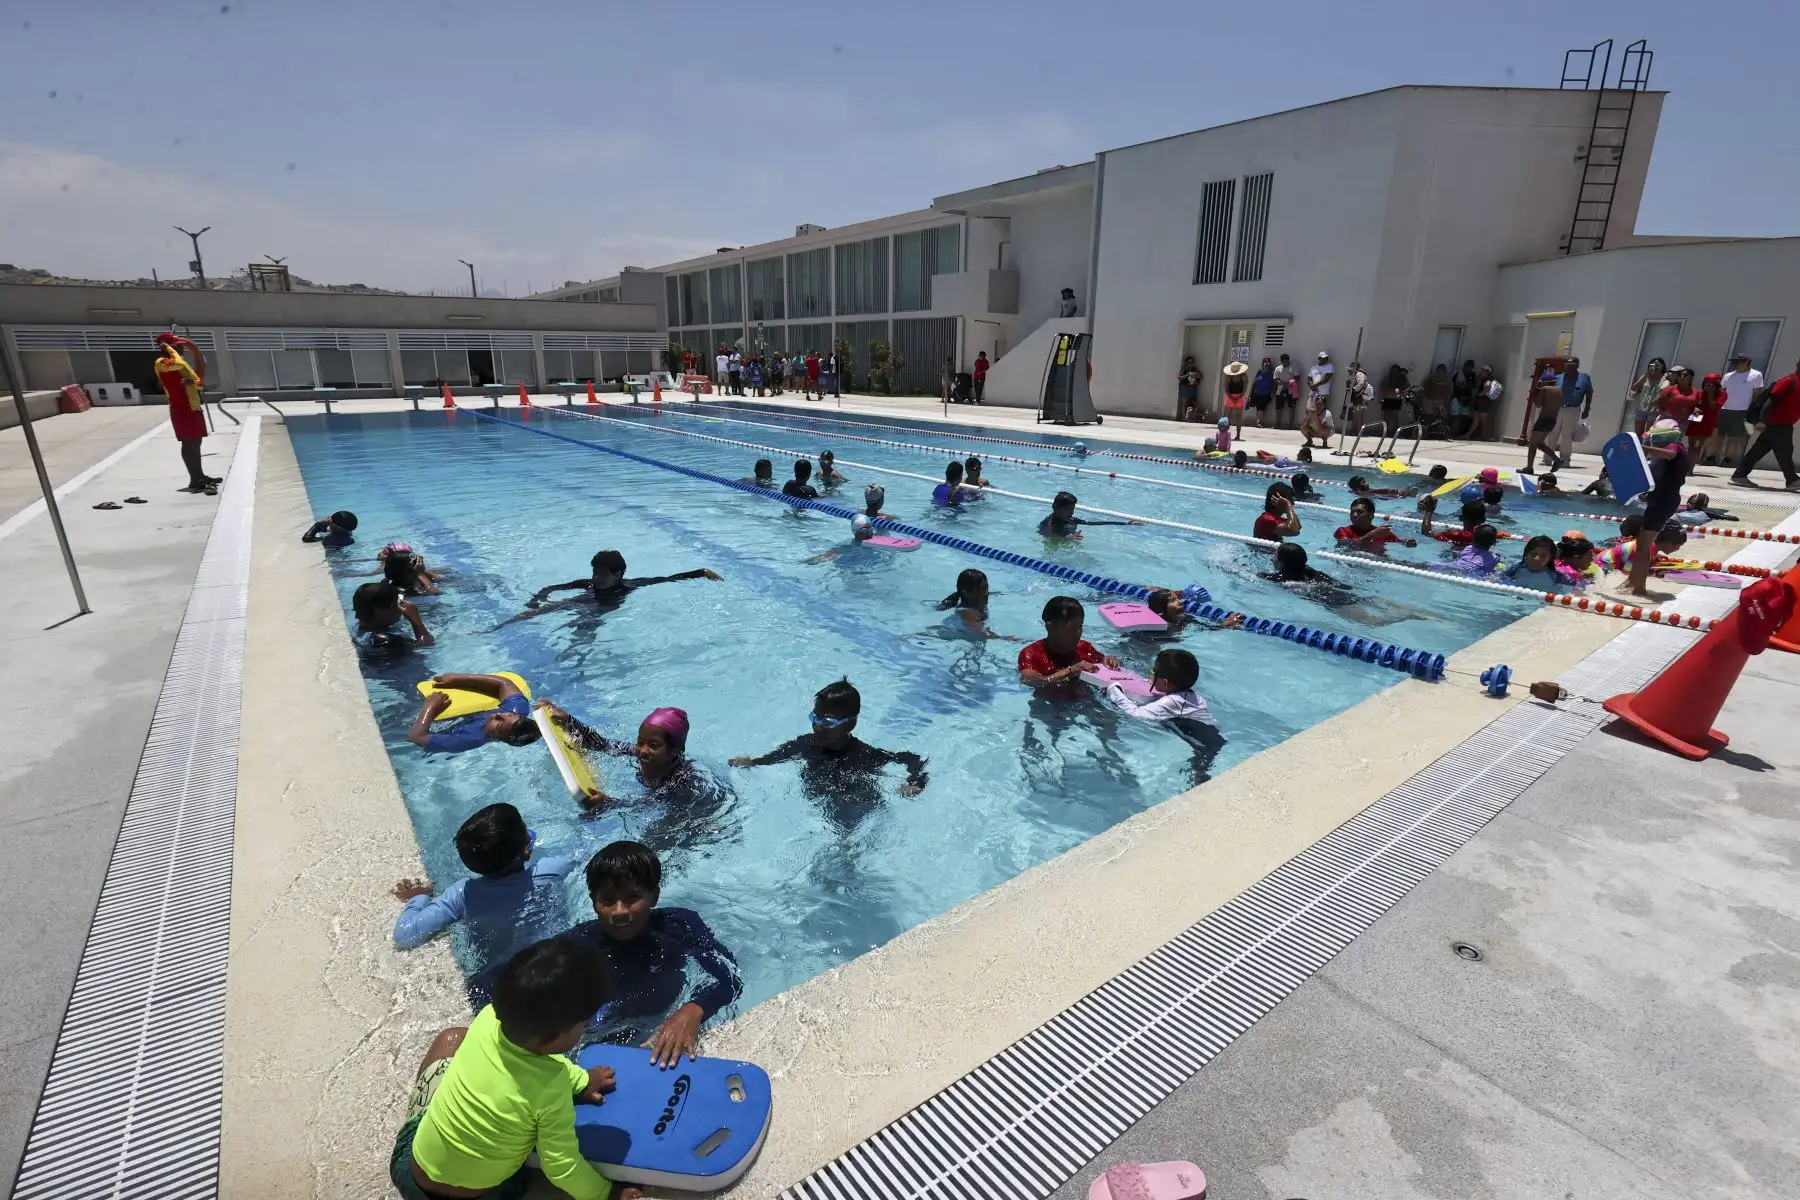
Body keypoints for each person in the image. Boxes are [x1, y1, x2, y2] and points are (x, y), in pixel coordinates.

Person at [389, 936, 631, 1200]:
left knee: (452, 1038)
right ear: (551, 1037)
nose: (585, 1029)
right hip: (484, 1196)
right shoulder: (551, 1090)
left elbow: (529, 1059)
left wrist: (582, 1079)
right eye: (583, 1025)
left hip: (409, 1169)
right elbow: (561, 1166)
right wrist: (605, 1193)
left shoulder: (487, 1019)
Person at [562, 841, 742, 1066]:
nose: (619, 911)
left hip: (663, 1014)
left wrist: (695, 1009)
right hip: (605, 1025)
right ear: (593, 901)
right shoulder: (579, 941)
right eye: (607, 900)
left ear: (654, 896)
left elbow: (730, 977)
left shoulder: (680, 926)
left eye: (632, 898)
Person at [392, 803, 576, 968]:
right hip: (557, 962)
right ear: (527, 851)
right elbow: (587, 847)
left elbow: (405, 936)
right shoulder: (551, 870)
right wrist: (599, 809)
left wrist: (419, 897)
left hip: (499, 974)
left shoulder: (462, 895)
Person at [728, 679, 929, 807]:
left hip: (854, 801)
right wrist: (753, 762)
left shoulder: (863, 755)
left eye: (826, 721)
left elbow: (911, 759)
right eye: (814, 718)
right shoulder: (808, 743)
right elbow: (781, 754)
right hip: (817, 799)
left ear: (850, 724)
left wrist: (916, 782)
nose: (817, 725)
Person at [506, 550, 722, 625]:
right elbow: (549, 588)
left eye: (601, 574)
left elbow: (668, 578)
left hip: (595, 614)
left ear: (618, 575)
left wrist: (701, 572)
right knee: (534, 613)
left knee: (582, 630)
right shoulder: (588, 584)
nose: (595, 577)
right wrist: (537, 600)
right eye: (594, 572)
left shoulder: (629, 586)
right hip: (580, 603)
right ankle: (498, 628)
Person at [1104, 648, 1226, 773]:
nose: (1151, 674)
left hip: (1206, 744)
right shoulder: (1189, 696)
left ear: (1166, 683)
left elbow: (1136, 714)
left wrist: (1114, 690)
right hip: (1216, 736)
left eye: (1153, 671)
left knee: (1199, 775)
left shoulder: (1171, 702)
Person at [1627, 419, 1694, 595]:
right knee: (1642, 543)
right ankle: (1631, 582)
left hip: (1663, 502)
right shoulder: (1670, 454)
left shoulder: (1675, 448)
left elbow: (1669, 453)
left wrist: (1642, 449)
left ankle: (1639, 588)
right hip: (1661, 501)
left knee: (1643, 547)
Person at [153, 332, 220, 494]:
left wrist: (196, 353)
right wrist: (168, 347)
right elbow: (176, 363)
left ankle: (200, 476)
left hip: (192, 407)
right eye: (178, 346)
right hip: (181, 409)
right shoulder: (162, 362)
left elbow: (199, 379)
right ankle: (195, 479)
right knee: (189, 443)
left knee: (196, 443)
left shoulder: (181, 364)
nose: (181, 348)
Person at [408, 673, 540, 754]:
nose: (499, 715)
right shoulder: (517, 709)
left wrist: (430, 708)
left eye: (499, 725)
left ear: (498, 739)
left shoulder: (469, 739)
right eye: (509, 715)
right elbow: (504, 683)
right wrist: (458, 678)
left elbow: (415, 738)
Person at [1017, 595, 1119, 695]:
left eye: (1080, 626)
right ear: (1050, 628)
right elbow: (1031, 681)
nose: (1079, 632)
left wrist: (1109, 660)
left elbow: (1105, 666)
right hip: (1050, 706)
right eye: (1072, 628)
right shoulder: (1031, 654)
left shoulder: (1084, 648)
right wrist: (1071, 670)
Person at [1729, 357, 1800, 491]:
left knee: (1759, 450)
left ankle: (1740, 475)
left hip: (1783, 423)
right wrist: (1762, 420)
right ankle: (1792, 480)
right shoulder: (1788, 381)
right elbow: (1770, 402)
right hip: (1778, 423)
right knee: (1784, 451)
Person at [1718, 353, 1766, 468]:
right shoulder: (1728, 375)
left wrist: (1754, 411)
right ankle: (1710, 457)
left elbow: (1758, 393)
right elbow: (1722, 391)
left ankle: (1728, 459)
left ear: (1746, 362)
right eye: (1735, 362)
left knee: (1734, 436)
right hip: (1724, 408)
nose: (1736, 364)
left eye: (1738, 362)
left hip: (1742, 410)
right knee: (1717, 434)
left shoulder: (1755, 375)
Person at [353, 580, 434, 649]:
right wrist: (415, 619)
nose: (401, 608)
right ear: (380, 611)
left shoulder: (361, 629)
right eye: (397, 604)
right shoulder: (387, 641)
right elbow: (427, 644)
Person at [1142, 585, 1245, 634]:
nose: (1180, 601)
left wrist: (1225, 623)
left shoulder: (1185, 618)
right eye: (1173, 600)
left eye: (1177, 598)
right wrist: (1226, 624)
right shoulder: (1157, 629)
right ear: (1161, 612)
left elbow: (1208, 627)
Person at [1549, 355, 1593, 469]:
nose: (1569, 368)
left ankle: (1564, 460)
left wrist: (1587, 408)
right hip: (1557, 408)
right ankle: (1548, 458)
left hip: (1572, 409)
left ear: (1577, 366)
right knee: (1553, 433)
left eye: (1572, 366)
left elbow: (1589, 393)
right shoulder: (1558, 377)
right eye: (1567, 366)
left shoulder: (1584, 378)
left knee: (1566, 436)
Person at [1038, 490, 1141, 539]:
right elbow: (1055, 531)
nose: (1072, 512)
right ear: (1056, 508)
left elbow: (1095, 523)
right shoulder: (1050, 523)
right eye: (1068, 510)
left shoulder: (1071, 520)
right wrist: (1069, 537)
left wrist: (1125, 523)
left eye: (1072, 509)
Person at [1334, 497, 1417, 554]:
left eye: (1359, 512)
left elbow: (1398, 542)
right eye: (1352, 512)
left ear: (1371, 515)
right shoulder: (1343, 531)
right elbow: (1346, 544)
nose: (1354, 515)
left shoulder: (1380, 532)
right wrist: (1371, 535)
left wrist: (1406, 542)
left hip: (1378, 564)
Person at [1522, 370, 1562, 474]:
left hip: (1543, 419)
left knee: (1532, 444)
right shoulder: (1559, 390)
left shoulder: (1544, 389)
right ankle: (1556, 460)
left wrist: (1535, 393)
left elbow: (1538, 404)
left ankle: (1529, 468)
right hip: (1552, 420)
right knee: (1539, 443)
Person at [1504, 535, 1570, 593]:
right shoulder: (1515, 568)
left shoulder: (1556, 576)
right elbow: (1501, 579)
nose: (1537, 558)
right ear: (1526, 554)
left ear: (1550, 559)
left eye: (1543, 556)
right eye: (1533, 554)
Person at [1418, 495, 1487, 547]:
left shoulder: (1457, 535)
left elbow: (1426, 532)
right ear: (1484, 519)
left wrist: (1429, 511)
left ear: (1461, 517)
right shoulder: (1488, 535)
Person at [1689, 372, 1726, 465]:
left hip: (1707, 421)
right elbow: (1693, 404)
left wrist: (1710, 394)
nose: (1708, 386)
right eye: (1706, 383)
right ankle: (1685, 466)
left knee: (1698, 446)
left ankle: (1690, 468)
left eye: (1712, 384)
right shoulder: (1699, 393)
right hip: (1695, 419)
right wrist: (1695, 408)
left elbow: (1713, 407)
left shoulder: (1722, 394)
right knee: (1691, 445)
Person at [1628, 356, 1669, 437]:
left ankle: (1645, 448)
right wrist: (1645, 375)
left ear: (1662, 366)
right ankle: (1638, 448)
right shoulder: (1646, 377)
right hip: (1641, 407)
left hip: (1653, 409)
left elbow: (1663, 391)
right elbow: (1634, 388)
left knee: (1648, 434)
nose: (1655, 367)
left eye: (1657, 365)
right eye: (1653, 365)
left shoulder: (1665, 378)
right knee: (1638, 434)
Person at [1657, 366, 1701, 430]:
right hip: (1667, 420)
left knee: (1676, 439)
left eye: (1685, 375)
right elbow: (1657, 401)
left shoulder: (1696, 392)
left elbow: (1696, 406)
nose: (1681, 377)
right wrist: (1662, 412)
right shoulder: (1670, 389)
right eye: (1680, 375)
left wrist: (1696, 413)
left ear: (1691, 378)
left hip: (1683, 423)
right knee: (1663, 439)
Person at [1468, 365, 1500, 442]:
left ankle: (1482, 437)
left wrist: (1481, 393)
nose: (1481, 371)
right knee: (1477, 420)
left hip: (1483, 402)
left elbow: (1488, 386)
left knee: (1482, 420)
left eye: (1484, 370)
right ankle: (1471, 435)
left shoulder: (1488, 379)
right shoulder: (1482, 379)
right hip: (1481, 402)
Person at [1221, 360, 1249, 434]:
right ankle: (1224, 433)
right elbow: (1226, 390)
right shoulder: (1228, 377)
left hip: (1240, 395)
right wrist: (1232, 398)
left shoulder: (1244, 376)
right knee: (1227, 416)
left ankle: (1238, 434)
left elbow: (1244, 390)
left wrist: (1238, 398)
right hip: (1229, 395)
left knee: (1238, 416)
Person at [1271, 353, 1297, 429]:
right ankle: (1278, 423)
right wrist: (1282, 384)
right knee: (1278, 406)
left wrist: (1288, 384)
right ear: (1281, 361)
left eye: (1287, 361)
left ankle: (1290, 424)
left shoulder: (1293, 367)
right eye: (1284, 362)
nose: (1286, 363)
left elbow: (1297, 377)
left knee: (1291, 406)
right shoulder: (1277, 368)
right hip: (1280, 389)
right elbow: (1275, 379)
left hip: (1291, 389)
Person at [1250, 357, 1275, 427]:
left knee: (1262, 408)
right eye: (1265, 363)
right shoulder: (1259, 372)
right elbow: (1254, 383)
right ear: (1262, 364)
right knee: (1259, 408)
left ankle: (1258, 422)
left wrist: (1272, 393)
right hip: (1257, 393)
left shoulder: (1271, 374)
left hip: (1266, 393)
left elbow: (1273, 384)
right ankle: (1258, 421)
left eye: (1267, 364)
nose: (1266, 365)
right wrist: (1250, 393)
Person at [1177, 356, 1201, 422]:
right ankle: (1183, 418)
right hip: (1184, 387)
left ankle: (1189, 418)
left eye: (1192, 362)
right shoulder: (1184, 369)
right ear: (1186, 363)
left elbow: (1201, 375)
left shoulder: (1194, 369)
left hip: (1192, 387)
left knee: (1192, 403)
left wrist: (1195, 375)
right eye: (1189, 362)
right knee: (1184, 403)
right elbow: (1179, 377)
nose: (1190, 363)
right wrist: (1187, 375)